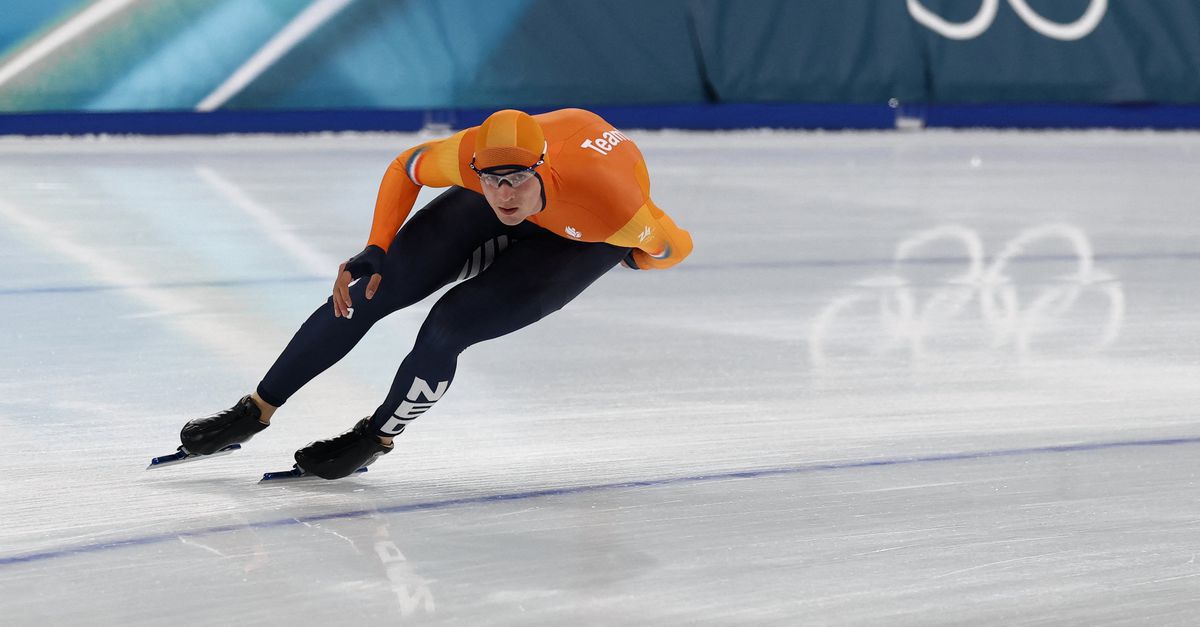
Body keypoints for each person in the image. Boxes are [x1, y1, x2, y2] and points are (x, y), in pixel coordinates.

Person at [177, 108, 693, 479]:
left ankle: (374, 438)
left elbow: (675, 246)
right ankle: (255, 411)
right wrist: (377, 245)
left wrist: (634, 253)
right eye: (492, 180)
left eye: (514, 180)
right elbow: (405, 166)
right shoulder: (473, 158)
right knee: (369, 292)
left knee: (447, 327)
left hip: (580, 234)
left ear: (541, 166)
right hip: (542, 201)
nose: (503, 194)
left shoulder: (614, 206)